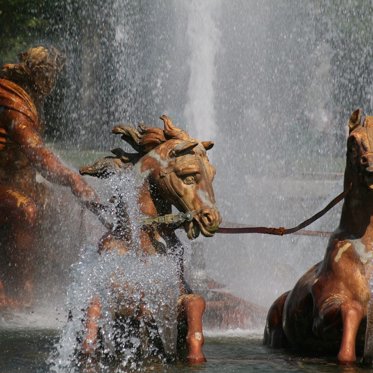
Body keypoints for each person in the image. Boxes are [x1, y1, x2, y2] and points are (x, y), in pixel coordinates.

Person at [0, 46, 97, 308]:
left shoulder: (30, 100)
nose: (51, 82)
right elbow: (39, 156)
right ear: (34, 75)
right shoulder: (13, 105)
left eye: (53, 75)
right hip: (3, 184)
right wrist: (72, 178)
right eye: (47, 75)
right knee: (27, 210)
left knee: (65, 206)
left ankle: (62, 282)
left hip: (20, 182)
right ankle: (22, 291)